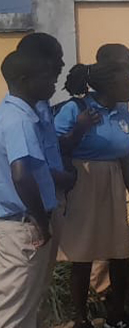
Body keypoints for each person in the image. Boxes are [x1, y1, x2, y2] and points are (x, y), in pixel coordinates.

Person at [55, 58, 129, 328]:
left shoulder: (123, 113)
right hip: (83, 184)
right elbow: (55, 148)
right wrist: (80, 128)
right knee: (82, 255)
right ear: (109, 85)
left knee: (119, 252)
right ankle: (80, 318)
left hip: (114, 183)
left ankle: (116, 314)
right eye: (128, 82)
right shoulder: (75, 108)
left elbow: (126, 159)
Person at [0, 48, 73, 328]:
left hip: (21, 222)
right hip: (24, 226)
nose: (53, 81)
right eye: (46, 76)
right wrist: (42, 222)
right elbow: (21, 175)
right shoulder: (19, 120)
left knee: (26, 305)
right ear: (23, 79)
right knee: (14, 313)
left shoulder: (16, 113)